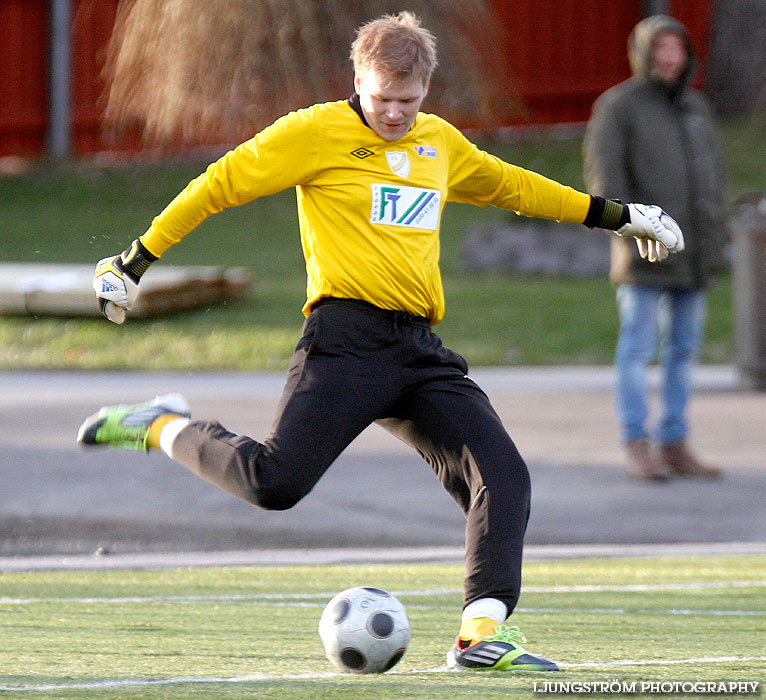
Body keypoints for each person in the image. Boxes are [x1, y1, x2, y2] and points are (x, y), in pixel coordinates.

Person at [78, 11, 683, 671]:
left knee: (502, 478)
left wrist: (622, 217)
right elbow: (217, 187)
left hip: (418, 351)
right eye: (381, 98)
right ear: (357, 80)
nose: (394, 112)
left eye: (408, 99)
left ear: (427, 87)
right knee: (273, 484)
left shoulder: (439, 143)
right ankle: (163, 425)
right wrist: (134, 261)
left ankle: (480, 634)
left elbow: (515, 186)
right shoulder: (315, 132)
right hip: (344, 343)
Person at [583, 14, 727, 481]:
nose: (669, 57)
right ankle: (636, 443)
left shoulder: (697, 109)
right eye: (661, 48)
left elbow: (713, 180)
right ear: (643, 54)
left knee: (684, 351)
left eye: (677, 49)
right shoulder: (619, 106)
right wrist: (633, 231)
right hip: (644, 254)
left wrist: (715, 238)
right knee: (637, 349)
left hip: (694, 255)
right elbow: (605, 182)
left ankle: (675, 442)